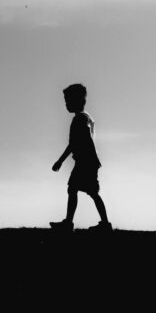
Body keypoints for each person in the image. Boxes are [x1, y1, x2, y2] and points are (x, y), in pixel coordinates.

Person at [50, 83, 112, 232]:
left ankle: (71, 223)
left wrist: (60, 161)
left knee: (77, 189)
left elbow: (73, 143)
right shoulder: (87, 118)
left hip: (86, 162)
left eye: (68, 100)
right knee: (83, 190)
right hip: (89, 161)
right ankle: (102, 223)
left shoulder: (80, 120)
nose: (66, 104)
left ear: (78, 100)